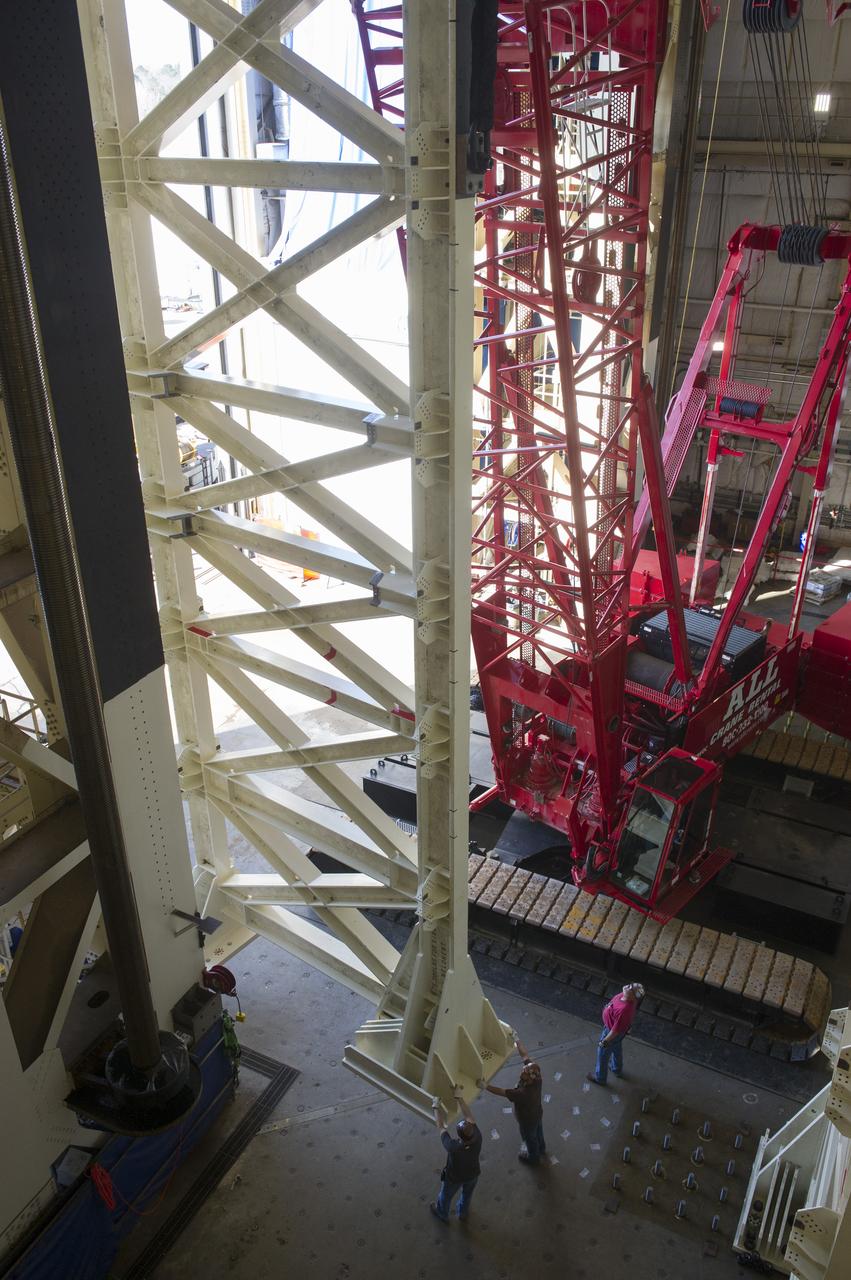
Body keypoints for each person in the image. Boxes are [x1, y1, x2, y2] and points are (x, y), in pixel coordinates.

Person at [480, 1036, 546, 1166]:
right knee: (538, 1131)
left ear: (528, 1078)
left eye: (524, 1072)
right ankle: (542, 1148)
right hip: (537, 1113)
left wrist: (485, 1086)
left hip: (527, 1120)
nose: (522, 1070)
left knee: (529, 1138)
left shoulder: (523, 1093)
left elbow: (502, 1091)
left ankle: (534, 1158)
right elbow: (525, 1055)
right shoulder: (537, 1078)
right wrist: (517, 1041)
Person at [431, 1086, 482, 1223]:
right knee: (467, 1194)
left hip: (454, 1178)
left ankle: (442, 1213)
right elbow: (469, 1115)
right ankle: (463, 1213)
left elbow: (441, 1127)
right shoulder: (477, 1137)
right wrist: (459, 1097)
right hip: (473, 1174)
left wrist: (435, 1107)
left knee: (445, 1196)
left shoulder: (453, 1147)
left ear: (459, 1136)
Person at [587, 981, 645, 1086]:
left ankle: (600, 1078)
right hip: (614, 1030)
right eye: (630, 985)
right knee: (616, 1048)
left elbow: (615, 1030)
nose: (628, 987)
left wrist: (605, 1041)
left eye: (631, 989)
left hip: (610, 1033)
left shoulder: (624, 1010)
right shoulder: (623, 995)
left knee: (602, 1054)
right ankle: (616, 1069)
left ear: (633, 998)